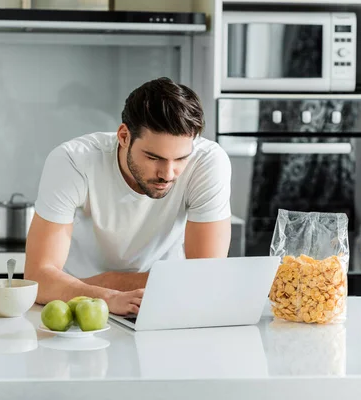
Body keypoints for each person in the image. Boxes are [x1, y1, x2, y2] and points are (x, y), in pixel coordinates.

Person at [24, 77, 232, 315]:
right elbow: (38, 278)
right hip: (78, 307)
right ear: (123, 136)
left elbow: (206, 278)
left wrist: (103, 282)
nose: (168, 173)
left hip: (163, 304)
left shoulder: (208, 162)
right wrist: (107, 296)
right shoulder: (73, 161)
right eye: (154, 158)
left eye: (181, 159)